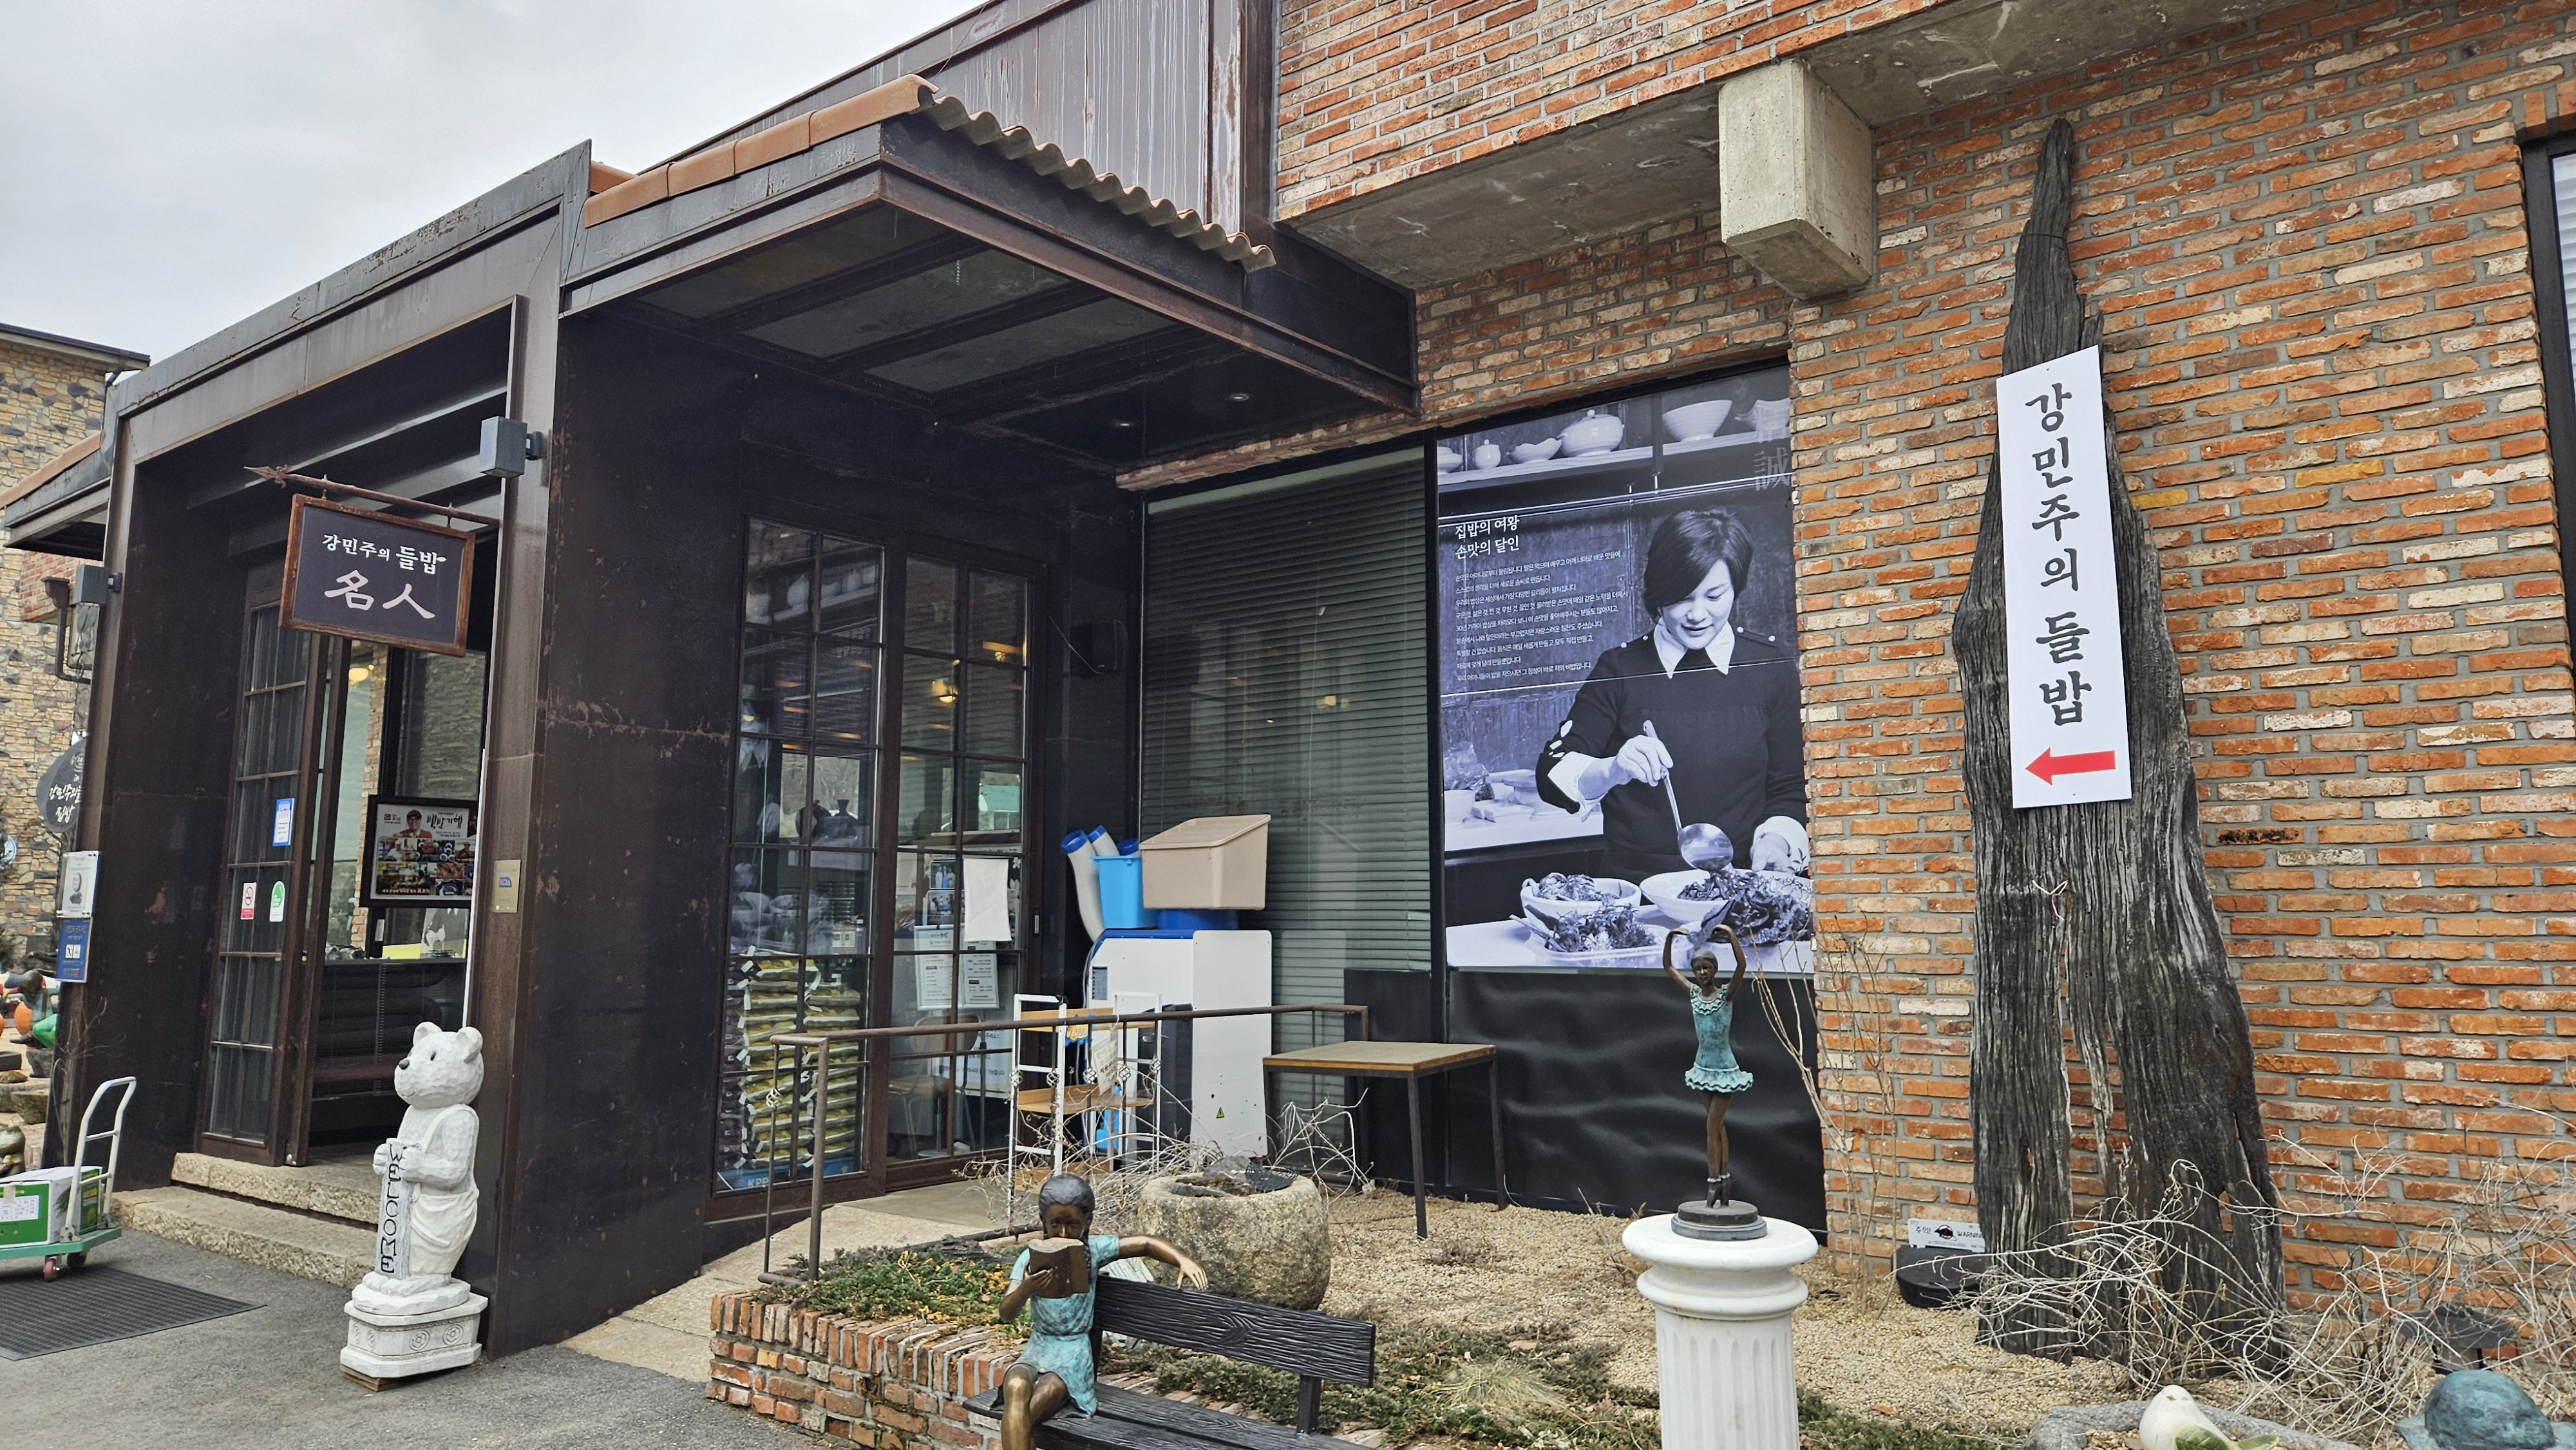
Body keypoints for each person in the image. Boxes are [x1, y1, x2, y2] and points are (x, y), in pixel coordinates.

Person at [1537, 508, 1808, 880]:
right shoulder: (1620, 669)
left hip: (1745, 886)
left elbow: (1791, 787)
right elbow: (1551, 773)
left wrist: (1775, 844)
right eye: (1682, 598)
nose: (1698, 614)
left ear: (1736, 588)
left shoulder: (1769, 666)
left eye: (1714, 596)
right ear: (1659, 596)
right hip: (1637, 892)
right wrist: (1614, 768)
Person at [997, 1174, 1207, 1450]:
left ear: (1088, 1222)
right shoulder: (1029, 1259)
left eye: (1072, 1224)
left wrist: (1181, 1259)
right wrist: (1026, 1288)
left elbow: (1145, 1243)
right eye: (1055, 1224)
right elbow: (1006, 1314)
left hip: (1072, 1355)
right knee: (1015, 1386)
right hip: (1038, 1348)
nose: (1063, 1234)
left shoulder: (1093, 1251)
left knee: (1030, 1411)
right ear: (1043, 1221)